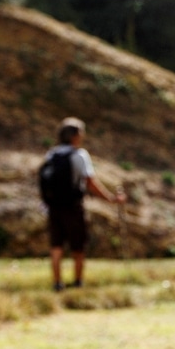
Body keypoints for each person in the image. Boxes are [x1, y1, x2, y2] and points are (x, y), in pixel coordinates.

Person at [43, 117, 125, 291]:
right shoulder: (79, 155)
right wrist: (111, 198)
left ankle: (57, 282)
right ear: (75, 135)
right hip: (73, 206)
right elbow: (90, 183)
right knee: (78, 245)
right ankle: (78, 282)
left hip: (54, 208)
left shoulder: (51, 154)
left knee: (56, 246)